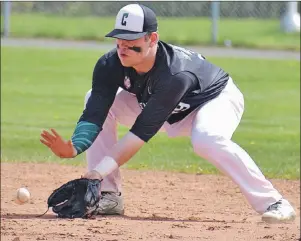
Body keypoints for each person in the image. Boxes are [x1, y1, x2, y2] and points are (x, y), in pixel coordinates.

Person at [40, 4, 296, 223]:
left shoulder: (175, 73)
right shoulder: (110, 64)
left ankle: (275, 203)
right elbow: (95, 110)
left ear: (152, 39)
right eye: (119, 38)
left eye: (132, 39)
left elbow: (140, 134)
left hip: (212, 101)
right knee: (90, 96)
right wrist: (74, 148)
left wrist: (97, 171)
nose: (123, 46)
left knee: (206, 139)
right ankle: (108, 196)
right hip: (159, 106)